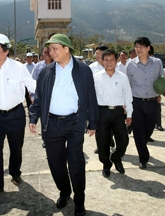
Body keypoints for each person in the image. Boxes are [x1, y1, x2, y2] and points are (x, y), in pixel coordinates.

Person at [29, 33, 98, 216]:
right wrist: (33, 118)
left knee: (76, 163)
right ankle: (65, 191)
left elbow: (91, 97)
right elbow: (38, 99)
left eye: (55, 48)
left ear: (67, 49)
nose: (51, 52)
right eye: (50, 49)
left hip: (74, 122)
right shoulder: (46, 72)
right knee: (55, 163)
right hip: (52, 124)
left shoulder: (83, 70)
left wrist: (93, 123)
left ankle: (80, 200)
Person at [0, 33, 36, 195]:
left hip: (15, 115)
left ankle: (15, 172)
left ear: (6, 51)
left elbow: (32, 86)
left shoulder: (19, 68)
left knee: (16, 147)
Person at [126, 37, 165, 169]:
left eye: (142, 46)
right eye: (137, 46)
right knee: (138, 131)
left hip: (152, 101)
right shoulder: (130, 64)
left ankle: (142, 144)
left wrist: (164, 92)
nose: (139, 49)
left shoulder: (157, 63)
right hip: (136, 102)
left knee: (149, 129)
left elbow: (162, 78)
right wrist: (125, 104)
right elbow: (126, 85)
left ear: (148, 48)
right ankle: (143, 157)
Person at [94, 49, 132, 178]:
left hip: (118, 112)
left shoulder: (122, 77)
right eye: (106, 60)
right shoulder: (96, 77)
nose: (109, 62)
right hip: (102, 112)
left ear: (116, 61)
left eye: (112, 60)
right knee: (102, 141)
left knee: (123, 140)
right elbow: (92, 97)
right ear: (102, 61)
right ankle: (106, 164)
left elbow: (128, 96)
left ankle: (116, 157)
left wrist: (129, 114)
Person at [31, 46, 53, 148]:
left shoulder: (57, 65)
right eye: (44, 52)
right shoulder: (38, 66)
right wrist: (32, 96)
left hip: (54, 97)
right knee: (44, 119)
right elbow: (33, 82)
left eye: (48, 52)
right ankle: (45, 139)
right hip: (42, 98)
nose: (46, 54)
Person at [149, 46, 164, 133]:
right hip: (141, 95)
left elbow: (161, 78)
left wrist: (160, 92)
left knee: (157, 110)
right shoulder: (134, 63)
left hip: (155, 93)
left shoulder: (157, 62)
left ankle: (158, 124)